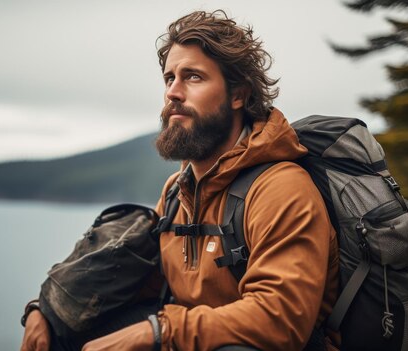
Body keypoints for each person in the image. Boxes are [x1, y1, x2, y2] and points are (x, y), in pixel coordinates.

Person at [21, 10, 339, 351]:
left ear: (239, 95)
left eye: (193, 77)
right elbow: (141, 284)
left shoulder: (280, 187)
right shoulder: (177, 191)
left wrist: (157, 332)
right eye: (169, 78)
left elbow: (281, 320)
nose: (173, 92)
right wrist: (48, 310)